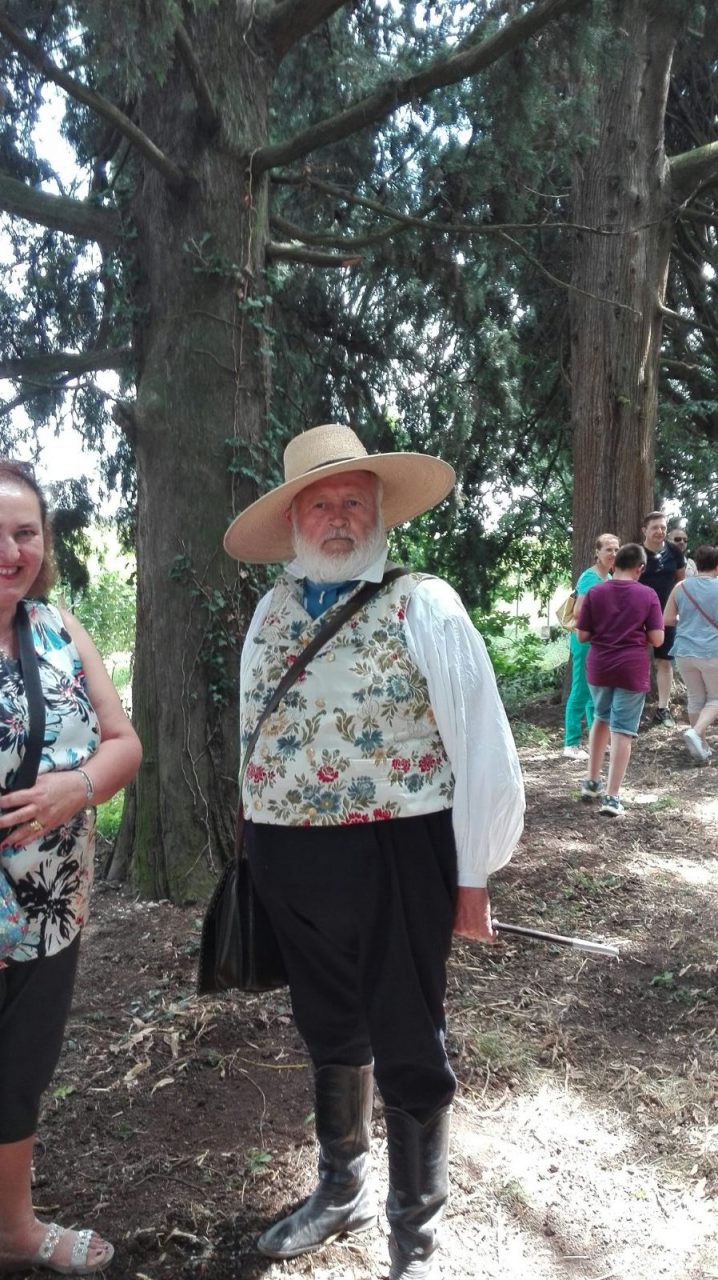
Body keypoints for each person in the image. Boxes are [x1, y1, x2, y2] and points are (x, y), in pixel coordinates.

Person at [223, 423, 524, 1280]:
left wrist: (473, 875)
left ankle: (414, 1235)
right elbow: (251, 730)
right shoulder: (271, 612)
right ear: (293, 521)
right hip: (289, 862)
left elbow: (481, 744)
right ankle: (342, 1187)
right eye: (319, 503)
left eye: (353, 500)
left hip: (397, 852)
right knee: (326, 1023)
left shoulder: (424, 603)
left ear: (380, 512)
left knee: (407, 1035)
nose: (337, 517)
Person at [0, 461, 142, 1276]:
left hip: (51, 906)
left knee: (19, 1070)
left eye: (25, 533)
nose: (10, 553)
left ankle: (14, 1230)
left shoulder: (59, 629)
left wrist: (77, 789)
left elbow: (124, 743)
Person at [576, 542, 664, 816]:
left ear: (614, 565)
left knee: (601, 717)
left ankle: (592, 782)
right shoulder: (647, 595)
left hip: (599, 667)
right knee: (622, 730)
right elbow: (658, 639)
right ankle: (612, 797)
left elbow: (582, 635)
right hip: (631, 668)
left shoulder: (595, 592)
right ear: (640, 568)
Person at [562, 533, 619, 759]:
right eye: (608, 549)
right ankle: (571, 744)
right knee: (581, 689)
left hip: (600, 642)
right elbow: (579, 612)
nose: (613, 554)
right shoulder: (589, 577)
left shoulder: (609, 578)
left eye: (616, 550)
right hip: (585, 641)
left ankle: (598, 741)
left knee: (597, 692)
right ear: (597, 552)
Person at [663, 545, 718, 763]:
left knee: (695, 698)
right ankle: (695, 733)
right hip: (712, 651)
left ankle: (700, 747)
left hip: (684, 651)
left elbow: (667, 619)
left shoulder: (681, 587)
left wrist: (687, 619)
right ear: (716, 566)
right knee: (716, 698)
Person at [640, 511, 685, 727]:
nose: (660, 531)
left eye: (663, 527)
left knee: (665, 662)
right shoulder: (637, 553)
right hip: (639, 616)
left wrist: (677, 609)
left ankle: (662, 709)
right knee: (637, 660)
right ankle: (634, 707)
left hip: (666, 616)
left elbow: (681, 582)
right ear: (645, 530)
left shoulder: (674, 552)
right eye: (655, 527)